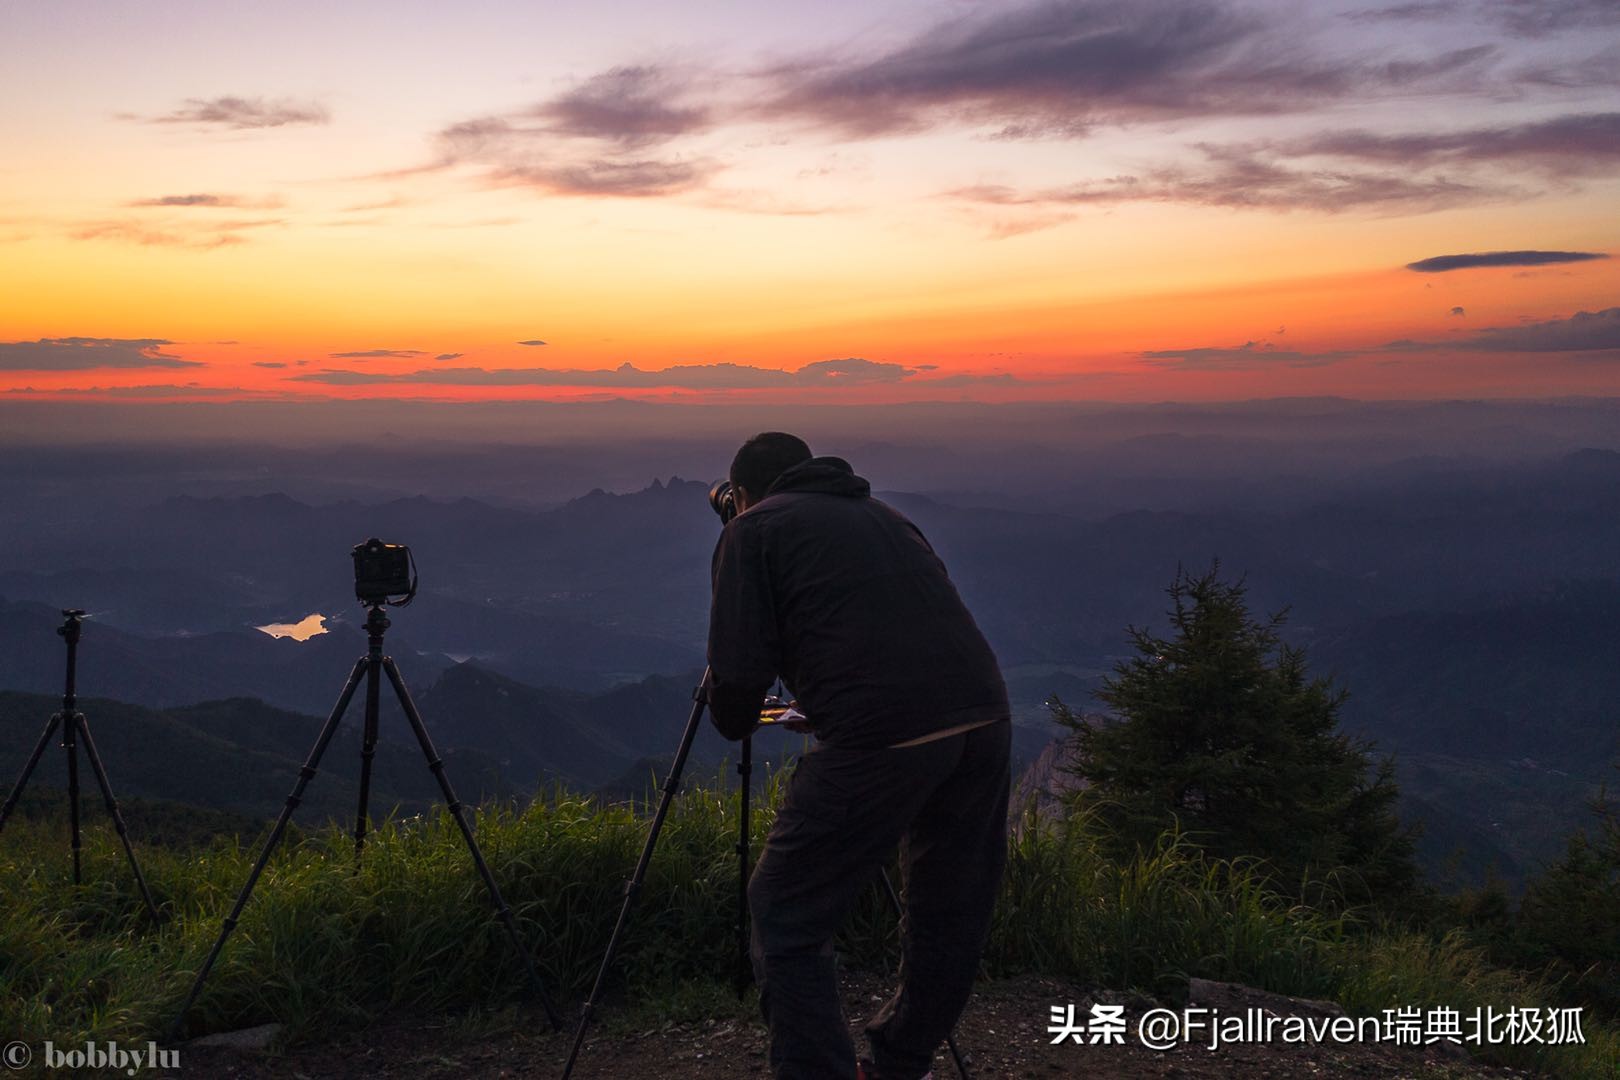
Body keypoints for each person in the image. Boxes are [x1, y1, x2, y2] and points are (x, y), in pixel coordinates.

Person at [706, 431, 1011, 1080]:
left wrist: (733, 712)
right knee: (946, 911)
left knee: (784, 906)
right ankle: (900, 1064)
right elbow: (894, 631)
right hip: (984, 716)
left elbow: (737, 687)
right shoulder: (888, 518)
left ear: (743, 495)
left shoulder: (752, 531)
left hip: (883, 736)